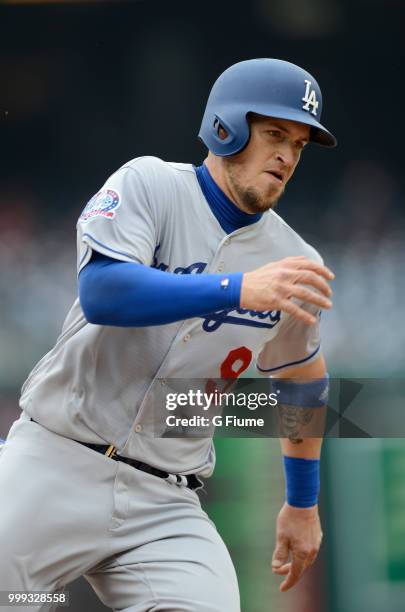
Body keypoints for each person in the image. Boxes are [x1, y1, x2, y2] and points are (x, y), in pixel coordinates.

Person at [0, 58, 336, 611]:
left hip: (165, 502)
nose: (286, 156)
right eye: (275, 134)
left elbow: (302, 382)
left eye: (299, 145)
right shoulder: (151, 184)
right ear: (225, 126)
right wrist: (234, 290)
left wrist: (302, 505)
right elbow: (104, 293)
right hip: (54, 465)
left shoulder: (295, 262)